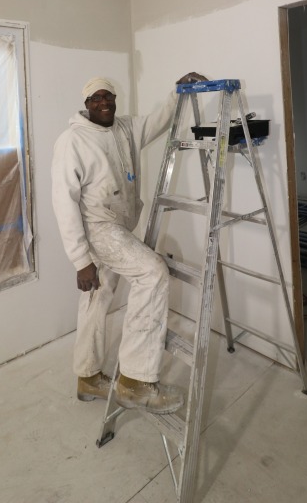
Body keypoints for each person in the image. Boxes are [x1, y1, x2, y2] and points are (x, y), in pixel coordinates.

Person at [51, 72, 207, 414]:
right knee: (153, 273)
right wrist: (81, 260)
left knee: (97, 296)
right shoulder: (72, 141)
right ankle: (135, 381)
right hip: (98, 227)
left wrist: (178, 91)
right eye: (96, 98)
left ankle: (88, 376)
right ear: (86, 104)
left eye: (108, 96)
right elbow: (63, 202)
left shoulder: (125, 128)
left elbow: (159, 120)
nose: (103, 102)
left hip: (118, 225)